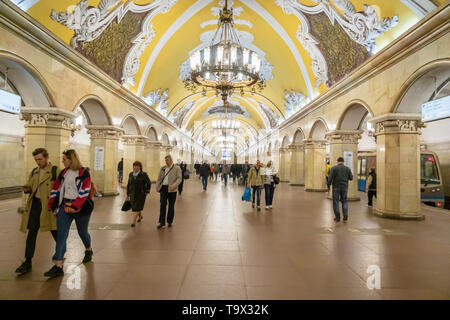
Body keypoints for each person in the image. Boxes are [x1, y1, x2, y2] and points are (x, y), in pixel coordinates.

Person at [45, 149, 93, 278]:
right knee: (61, 235)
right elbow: (56, 188)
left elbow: (84, 191)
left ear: (71, 159)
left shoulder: (84, 173)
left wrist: (75, 206)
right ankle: (58, 265)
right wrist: (53, 205)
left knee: (82, 232)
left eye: (64, 159)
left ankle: (88, 249)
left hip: (81, 208)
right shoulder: (63, 173)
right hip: (64, 207)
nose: (62, 161)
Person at [15, 148, 60, 275]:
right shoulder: (34, 172)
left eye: (40, 159)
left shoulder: (55, 171)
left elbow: (61, 189)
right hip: (35, 205)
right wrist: (27, 189)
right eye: (36, 160)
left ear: (46, 158)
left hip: (49, 207)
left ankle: (60, 259)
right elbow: (31, 186)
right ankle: (27, 261)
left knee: (56, 233)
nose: (38, 162)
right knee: (31, 233)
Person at [156, 155, 182, 229]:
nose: (166, 162)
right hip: (163, 188)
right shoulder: (163, 168)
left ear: (171, 160)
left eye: (167, 160)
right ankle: (161, 222)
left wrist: (174, 185)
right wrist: (157, 186)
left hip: (172, 190)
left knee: (171, 206)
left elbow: (179, 178)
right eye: (165, 160)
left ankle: (169, 221)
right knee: (163, 205)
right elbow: (159, 178)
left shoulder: (177, 168)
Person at [327, 157, 353, 222]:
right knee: (344, 201)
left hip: (336, 187)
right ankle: (345, 215)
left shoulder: (333, 168)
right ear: (343, 161)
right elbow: (351, 178)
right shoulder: (348, 169)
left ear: (337, 161)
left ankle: (337, 217)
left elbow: (330, 178)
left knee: (335, 202)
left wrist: (328, 186)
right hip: (344, 187)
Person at [127, 161, 151, 227]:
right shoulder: (131, 174)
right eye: (134, 166)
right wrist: (128, 193)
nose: (135, 167)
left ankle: (133, 222)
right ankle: (140, 216)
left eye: (137, 166)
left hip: (141, 194)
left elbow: (148, 183)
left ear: (140, 167)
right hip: (133, 193)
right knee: (135, 206)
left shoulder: (143, 174)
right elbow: (129, 184)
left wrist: (147, 191)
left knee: (136, 207)